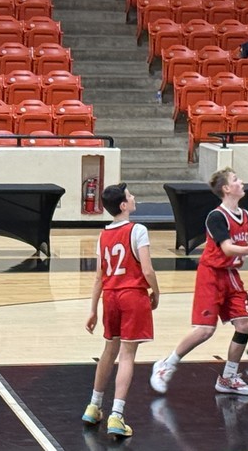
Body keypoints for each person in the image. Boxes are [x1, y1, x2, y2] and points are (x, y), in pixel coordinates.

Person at [150, 168, 248, 396]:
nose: (241, 181)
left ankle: (229, 377)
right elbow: (227, 247)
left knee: (244, 325)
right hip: (211, 275)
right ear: (226, 188)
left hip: (231, 275)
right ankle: (166, 364)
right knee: (204, 330)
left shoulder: (247, 216)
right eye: (236, 179)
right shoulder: (216, 217)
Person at [82, 183, 161, 440]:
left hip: (111, 298)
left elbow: (98, 278)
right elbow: (147, 270)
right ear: (124, 205)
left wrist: (93, 309)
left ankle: (94, 406)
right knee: (127, 355)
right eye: (130, 195)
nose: (134, 196)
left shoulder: (103, 234)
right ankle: (117, 414)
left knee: (109, 350)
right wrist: (156, 292)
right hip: (132, 295)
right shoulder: (138, 229)